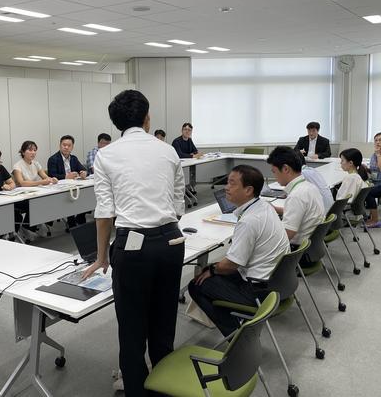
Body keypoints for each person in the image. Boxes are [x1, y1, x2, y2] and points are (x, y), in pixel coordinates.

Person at [83, 89, 185, 397]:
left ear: (116, 124)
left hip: (132, 246)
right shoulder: (168, 151)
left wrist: (102, 257)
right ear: (147, 118)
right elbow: (178, 205)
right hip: (171, 241)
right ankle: (164, 387)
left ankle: (137, 389)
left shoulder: (106, 155)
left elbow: (105, 213)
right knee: (164, 322)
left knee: (131, 327)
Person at [188, 165, 290, 336]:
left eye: (232, 183)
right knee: (214, 269)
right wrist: (215, 269)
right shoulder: (264, 206)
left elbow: (231, 265)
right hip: (279, 282)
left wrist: (212, 269)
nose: (226, 187)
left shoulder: (249, 221)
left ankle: (238, 337)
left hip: (259, 291)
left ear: (248, 190)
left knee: (197, 284)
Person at [267, 146, 324, 247]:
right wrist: (275, 209)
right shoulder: (309, 187)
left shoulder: (296, 195)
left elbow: (287, 235)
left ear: (285, 169)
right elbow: (301, 212)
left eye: (274, 172)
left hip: (296, 248)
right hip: (311, 245)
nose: (274, 176)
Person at [47, 135, 88, 227]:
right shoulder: (53, 159)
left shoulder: (74, 158)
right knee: (70, 200)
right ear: (60, 145)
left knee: (86, 197)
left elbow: (82, 169)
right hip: (60, 189)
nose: (66, 147)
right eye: (64, 145)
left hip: (73, 187)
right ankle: (71, 222)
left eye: (69, 145)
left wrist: (84, 172)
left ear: (72, 147)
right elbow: (52, 175)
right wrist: (66, 177)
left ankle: (80, 217)